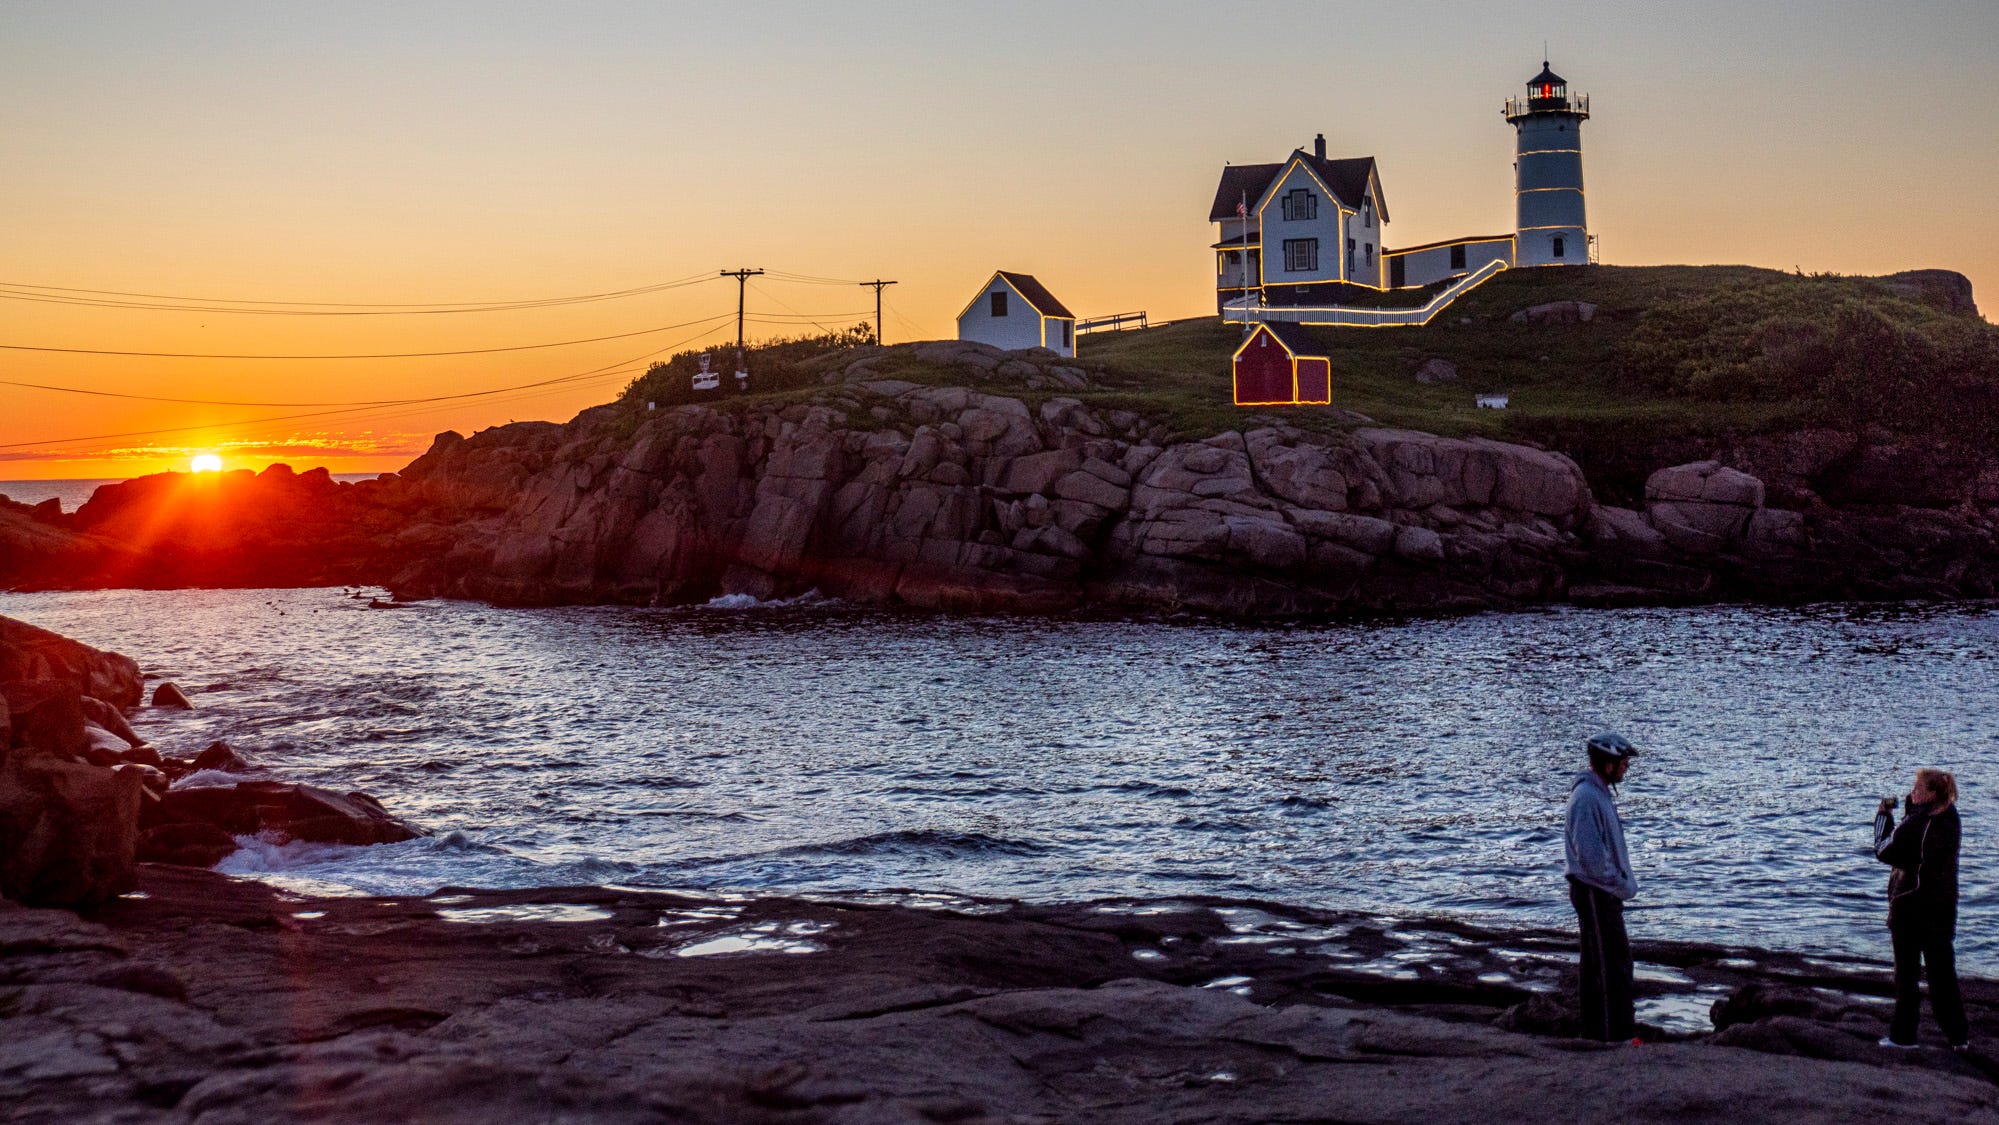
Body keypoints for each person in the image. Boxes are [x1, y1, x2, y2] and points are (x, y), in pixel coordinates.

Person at [1873, 767, 1967, 1050]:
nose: (1912, 793)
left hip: (1910, 908)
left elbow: (1883, 849)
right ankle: (1958, 1036)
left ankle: (1903, 1036)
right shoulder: (1950, 818)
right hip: (1940, 909)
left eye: (1916, 789)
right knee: (1943, 976)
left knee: (1907, 976)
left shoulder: (1917, 824)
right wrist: (1911, 811)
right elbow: (1916, 845)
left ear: (1931, 793)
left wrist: (1883, 816)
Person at [1565, 731, 1639, 1042]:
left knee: (1603, 961)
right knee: (1610, 965)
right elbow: (1592, 859)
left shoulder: (1598, 795)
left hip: (1601, 892)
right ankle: (1610, 1035)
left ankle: (1601, 1031)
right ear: (1608, 763)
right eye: (1623, 762)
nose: (1626, 768)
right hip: (1596, 892)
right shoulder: (1587, 798)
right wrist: (1618, 884)